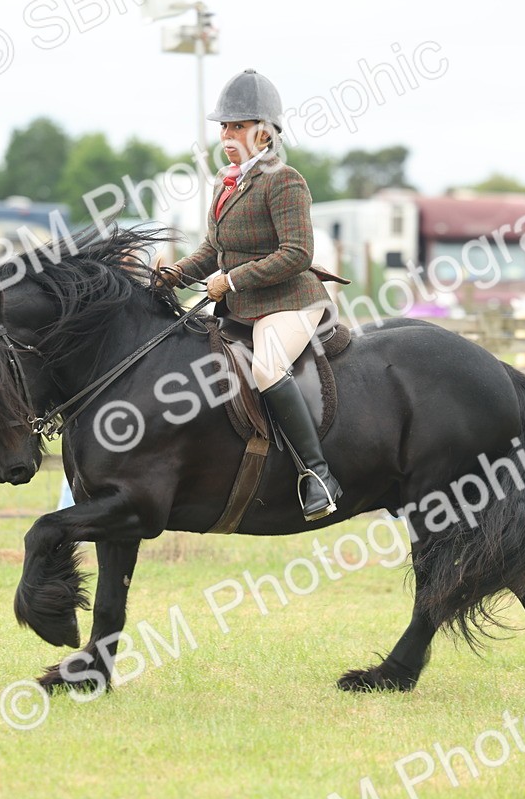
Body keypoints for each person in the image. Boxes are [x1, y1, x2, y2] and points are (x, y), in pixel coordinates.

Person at [159, 68, 344, 522]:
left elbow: (297, 252)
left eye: (236, 125)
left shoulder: (286, 180)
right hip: (240, 306)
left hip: (291, 301)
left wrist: (234, 280)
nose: (226, 134)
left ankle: (318, 474)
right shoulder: (228, 181)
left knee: (266, 365)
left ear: (264, 132)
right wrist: (175, 274)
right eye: (223, 126)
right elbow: (214, 250)